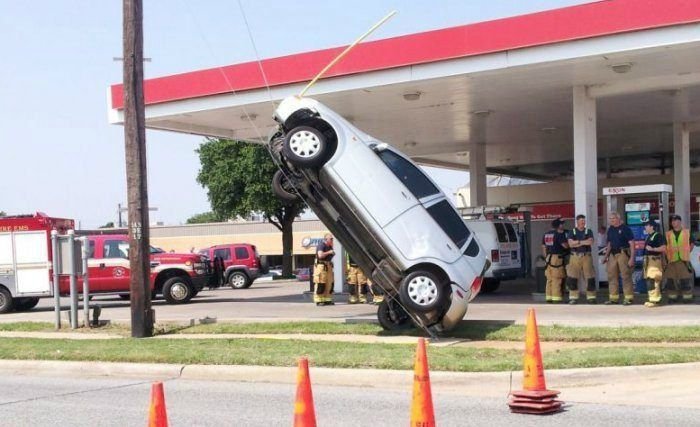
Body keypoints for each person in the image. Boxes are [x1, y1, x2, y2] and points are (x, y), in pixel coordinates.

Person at [602, 212, 635, 305]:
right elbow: (609, 244)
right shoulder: (610, 229)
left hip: (623, 253)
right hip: (612, 254)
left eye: (613, 218)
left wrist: (632, 258)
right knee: (612, 276)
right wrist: (605, 256)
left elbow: (632, 243)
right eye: (610, 219)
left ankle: (628, 298)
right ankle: (614, 298)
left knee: (625, 276)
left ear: (618, 219)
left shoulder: (625, 229)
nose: (611, 220)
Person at [565, 214, 597, 304]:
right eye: (581, 221)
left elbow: (590, 242)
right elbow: (570, 244)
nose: (583, 222)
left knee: (590, 277)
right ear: (577, 221)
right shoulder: (572, 231)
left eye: (584, 220)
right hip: (575, 256)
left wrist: (578, 242)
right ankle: (573, 297)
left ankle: (591, 297)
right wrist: (583, 242)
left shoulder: (588, 231)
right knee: (572, 277)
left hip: (586, 256)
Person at [664, 214, 694, 303]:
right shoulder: (668, 234)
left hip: (683, 261)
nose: (673, 222)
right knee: (671, 281)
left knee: (685, 280)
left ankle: (687, 298)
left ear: (680, 221)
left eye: (675, 220)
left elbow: (692, 244)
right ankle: (672, 298)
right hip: (671, 261)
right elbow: (665, 246)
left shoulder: (687, 232)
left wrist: (687, 252)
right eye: (672, 221)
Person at [542, 218, 569, 303]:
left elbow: (543, 247)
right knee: (557, 278)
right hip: (557, 258)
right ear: (559, 225)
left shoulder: (546, 234)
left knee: (549, 278)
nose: (563, 225)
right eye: (562, 224)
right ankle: (556, 298)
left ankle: (549, 297)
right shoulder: (558, 234)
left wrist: (546, 257)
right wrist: (570, 244)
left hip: (548, 258)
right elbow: (565, 246)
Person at [642, 220, 666, 307]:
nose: (645, 227)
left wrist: (653, 249)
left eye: (646, 225)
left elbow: (663, 248)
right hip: (648, 261)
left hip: (654, 261)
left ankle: (655, 300)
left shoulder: (658, 236)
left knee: (653, 279)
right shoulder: (649, 236)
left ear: (652, 226)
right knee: (649, 280)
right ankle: (652, 299)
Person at [313, 234, 335, 306]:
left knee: (329, 283)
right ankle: (319, 300)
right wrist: (329, 252)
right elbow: (320, 255)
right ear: (326, 239)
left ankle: (327, 299)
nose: (332, 240)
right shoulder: (321, 245)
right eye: (330, 239)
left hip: (328, 266)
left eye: (332, 239)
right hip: (321, 266)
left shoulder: (330, 246)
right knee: (321, 283)